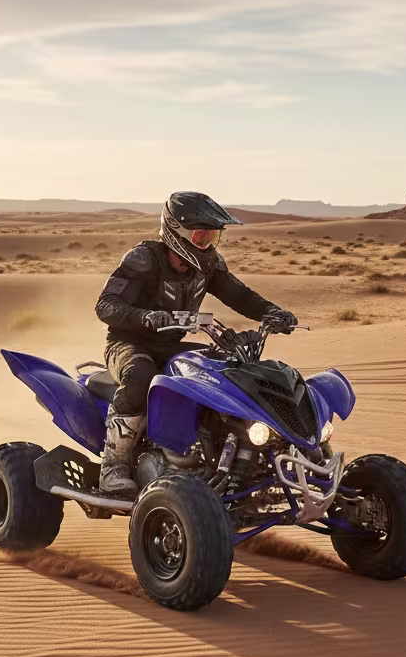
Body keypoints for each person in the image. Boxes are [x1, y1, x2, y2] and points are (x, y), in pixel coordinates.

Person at [93, 191, 298, 495]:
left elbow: (240, 296)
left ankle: (226, 458)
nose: (208, 244)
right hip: (128, 343)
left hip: (171, 345)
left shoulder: (209, 265)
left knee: (227, 368)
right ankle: (113, 466)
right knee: (140, 376)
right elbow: (106, 305)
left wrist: (271, 312)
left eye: (212, 236)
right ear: (177, 232)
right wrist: (147, 317)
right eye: (201, 236)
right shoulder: (144, 259)